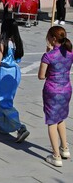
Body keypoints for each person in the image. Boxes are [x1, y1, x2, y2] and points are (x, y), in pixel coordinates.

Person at [38, 26, 72, 167]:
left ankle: (56, 155)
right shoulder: (70, 53)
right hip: (66, 88)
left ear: (53, 38)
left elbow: (41, 76)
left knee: (51, 121)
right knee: (61, 118)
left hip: (52, 90)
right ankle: (65, 148)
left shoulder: (48, 56)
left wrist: (48, 54)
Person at [0, 18, 29, 143]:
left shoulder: (2, 43)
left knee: (4, 102)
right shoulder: (17, 42)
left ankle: (20, 127)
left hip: (5, 73)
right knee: (6, 99)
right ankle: (1, 124)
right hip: (15, 73)